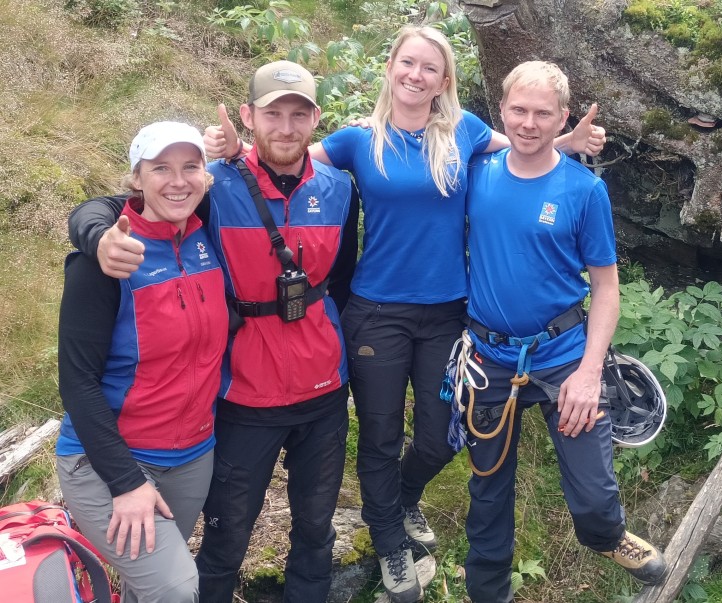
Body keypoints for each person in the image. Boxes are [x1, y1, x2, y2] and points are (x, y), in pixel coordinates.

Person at [203, 25, 606, 603]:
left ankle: (403, 494)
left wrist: (568, 142)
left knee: (448, 432)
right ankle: (388, 538)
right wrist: (227, 150)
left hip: (449, 313)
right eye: (408, 63)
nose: (417, 75)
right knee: (381, 434)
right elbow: (279, 159)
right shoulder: (356, 141)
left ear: (445, 80)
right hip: (376, 311)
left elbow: (524, 148)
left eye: (430, 68)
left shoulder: (465, 132)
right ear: (390, 67)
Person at [67, 61, 360, 603]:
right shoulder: (213, 183)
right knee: (227, 538)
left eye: (299, 114)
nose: (287, 127)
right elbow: (123, 204)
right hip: (244, 394)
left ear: (317, 119)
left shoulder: (340, 189)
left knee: (317, 532)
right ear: (248, 116)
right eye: (273, 113)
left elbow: (339, 280)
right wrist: (94, 236)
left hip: (322, 392)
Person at [456, 61, 667, 602]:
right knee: (487, 493)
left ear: (563, 118)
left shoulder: (582, 190)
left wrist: (589, 372)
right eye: (519, 111)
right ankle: (488, 592)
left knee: (595, 495)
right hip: (489, 360)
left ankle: (606, 535)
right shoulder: (476, 175)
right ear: (500, 112)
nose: (529, 123)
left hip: (564, 355)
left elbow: (607, 286)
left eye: (542, 113)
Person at [56, 121, 229, 602]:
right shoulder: (107, 260)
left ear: (206, 175)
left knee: (148, 587)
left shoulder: (208, 232)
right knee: (175, 588)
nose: (178, 181)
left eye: (190, 167)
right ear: (137, 178)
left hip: (193, 454)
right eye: (161, 169)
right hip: (109, 459)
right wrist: (126, 482)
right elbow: (76, 383)